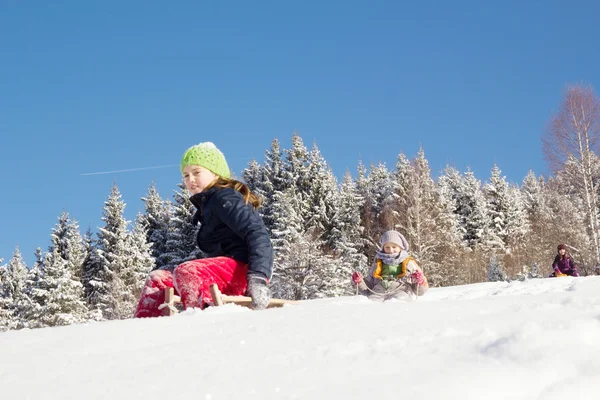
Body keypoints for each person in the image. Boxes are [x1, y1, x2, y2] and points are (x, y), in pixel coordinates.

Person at [134, 142, 273, 317]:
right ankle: (144, 333)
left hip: (242, 272)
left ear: (216, 173)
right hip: (221, 272)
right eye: (185, 175)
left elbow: (257, 233)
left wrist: (258, 278)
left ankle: (200, 325)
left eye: (196, 172)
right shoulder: (207, 205)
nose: (190, 180)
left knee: (188, 271)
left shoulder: (224, 197)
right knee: (159, 279)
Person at [351, 230, 428, 301]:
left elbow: (420, 292)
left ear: (400, 247)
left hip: (401, 290)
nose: (391, 250)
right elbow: (368, 289)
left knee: (400, 302)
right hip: (378, 292)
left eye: (394, 247)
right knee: (370, 304)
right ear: (383, 248)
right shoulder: (378, 262)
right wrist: (360, 282)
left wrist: (419, 282)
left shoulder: (409, 263)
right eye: (387, 247)